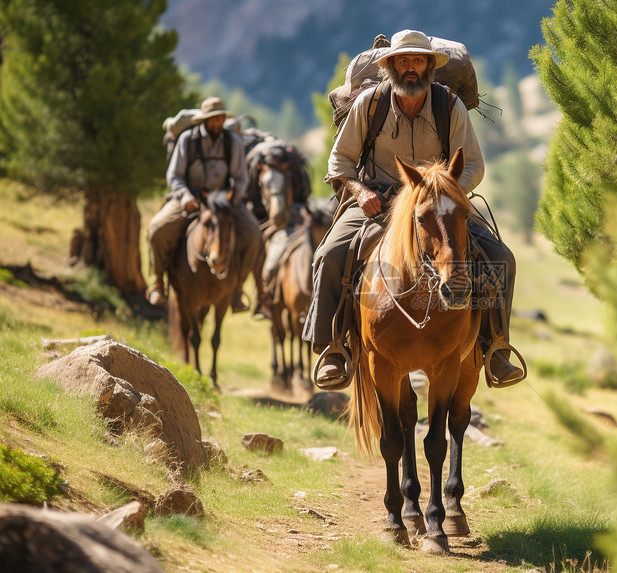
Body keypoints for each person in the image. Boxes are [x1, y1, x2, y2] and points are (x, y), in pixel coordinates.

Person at [303, 29, 523, 388]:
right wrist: (358, 192)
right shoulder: (369, 104)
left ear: (429, 66)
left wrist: (446, 193)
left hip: (437, 204)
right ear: (389, 65)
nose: (410, 68)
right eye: (402, 61)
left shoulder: (448, 105)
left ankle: (496, 347)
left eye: (417, 61)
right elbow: (340, 160)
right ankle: (333, 348)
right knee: (328, 255)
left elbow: (474, 166)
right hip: (376, 200)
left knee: (501, 258)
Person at [147, 96, 266, 319]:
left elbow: (241, 178)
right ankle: (157, 283)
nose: (216, 123)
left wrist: (233, 197)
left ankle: (237, 288)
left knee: (254, 236)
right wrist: (183, 197)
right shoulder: (187, 140)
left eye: (220, 118)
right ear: (204, 121)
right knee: (156, 229)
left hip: (224, 201)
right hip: (190, 197)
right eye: (212, 119)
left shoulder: (233, 142)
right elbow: (174, 176)